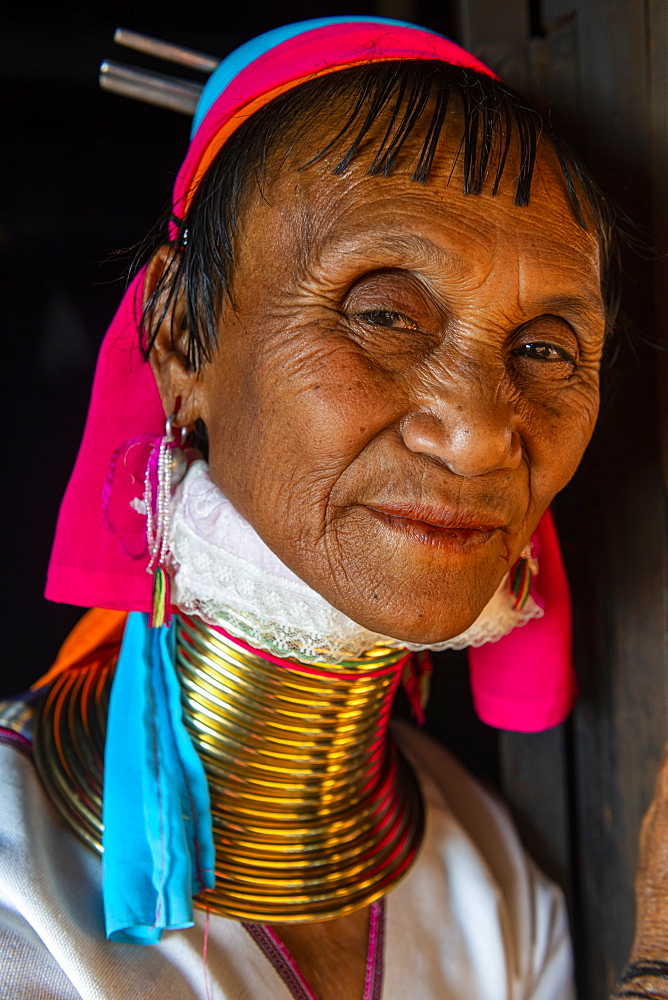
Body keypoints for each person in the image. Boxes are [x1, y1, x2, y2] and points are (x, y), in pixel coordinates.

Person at [0, 15, 665, 1000]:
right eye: (383, 313)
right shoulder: (18, 875)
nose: (483, 431)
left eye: (542, 349)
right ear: (180, 337)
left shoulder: (491, 888)